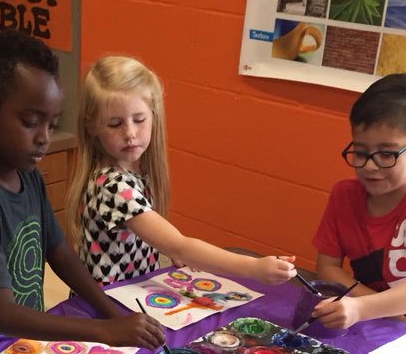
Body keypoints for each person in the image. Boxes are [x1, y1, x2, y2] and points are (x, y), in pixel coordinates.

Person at [0, 31, 164, 353]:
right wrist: (105, 330)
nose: (44, 138)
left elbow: (59, 252)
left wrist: (110, 310)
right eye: (31, 122)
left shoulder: (28, 176)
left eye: (51, 124)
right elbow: (3, 315)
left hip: (13, 350)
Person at [65, 55, 297, 287]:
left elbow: (148, 238)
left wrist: (164, 247)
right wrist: (253, 268)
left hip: (130, 295)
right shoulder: (113, 186)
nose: (130, 133)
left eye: (139, 119)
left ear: (154, 115)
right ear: (92, 126)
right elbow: (180, 245)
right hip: (107, 310)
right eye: (115, 124)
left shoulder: (134, 171)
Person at [310, 72, 406, 331]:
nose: (370, 166)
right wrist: (374, 304)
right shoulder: (344, 195)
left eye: (387, 154)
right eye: (361, 152)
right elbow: (327, 269)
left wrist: (361, 307)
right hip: (368, 317)